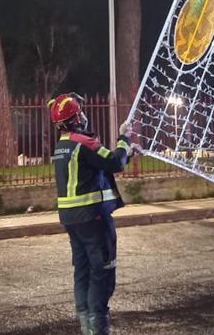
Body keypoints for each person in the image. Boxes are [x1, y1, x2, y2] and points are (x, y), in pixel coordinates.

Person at [50, 92, 134, 335]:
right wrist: (124, 139)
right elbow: (114, 163)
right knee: (102, 270)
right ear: (76, 119)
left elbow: (99, 164)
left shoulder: (63, 145)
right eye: (81, 113)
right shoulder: (83, 142)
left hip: (71, 218)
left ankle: (86, 326)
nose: (84, 117)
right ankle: (98, 327)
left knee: (83, 269)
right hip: (92, 217)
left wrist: (129, 151)